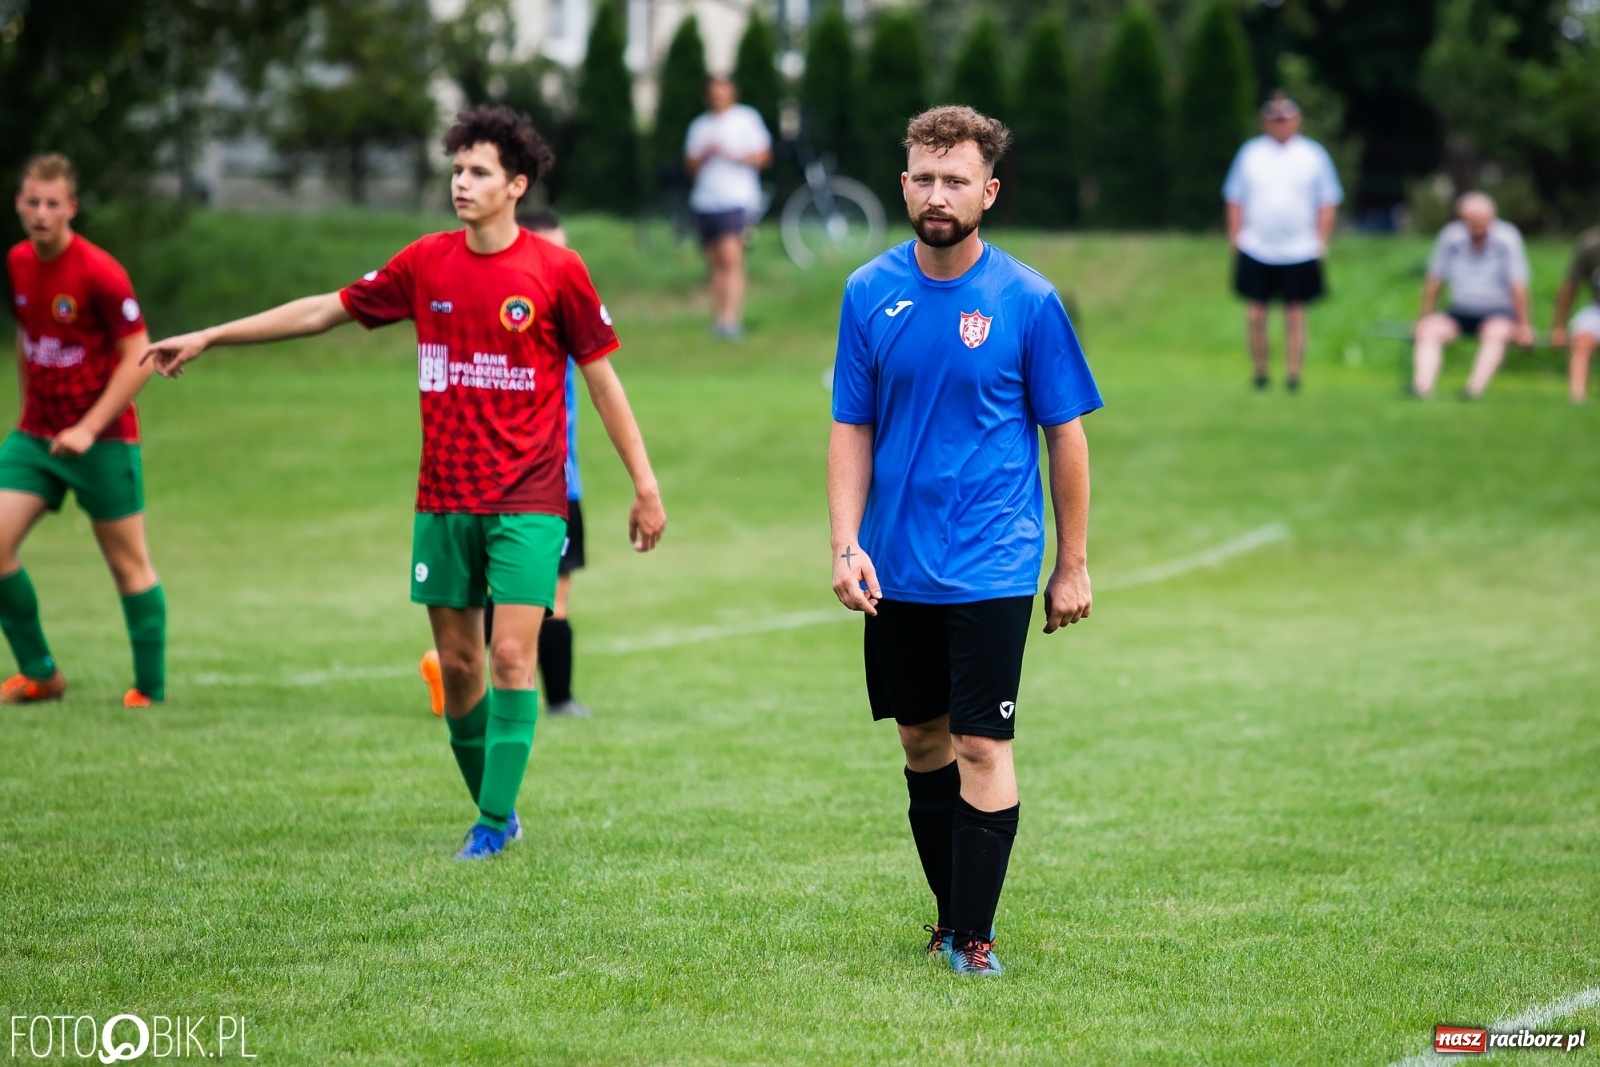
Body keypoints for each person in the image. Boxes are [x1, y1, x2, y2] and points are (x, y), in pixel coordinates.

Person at [144, 106, 667, 861]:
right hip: (444, 498)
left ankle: (491, 823)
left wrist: (644, 485)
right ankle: (499, 809)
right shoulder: (425, 263)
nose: (462, 181)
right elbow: (325, 309)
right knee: (459, 667)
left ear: (516, 185)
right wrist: (211, 334)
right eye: (456, 169)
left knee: (512, 658)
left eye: (479, 171)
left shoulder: (558, 272)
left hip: (529, 496)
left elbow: (605, 383)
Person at [828, 106, 1101, 978]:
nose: (937, 194)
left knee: (983, 743)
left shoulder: (1029, 300)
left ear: (988, 191)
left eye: (956, 180)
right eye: (923, 176)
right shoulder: (869, 292)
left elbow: (1067, 435)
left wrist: (1072, 563)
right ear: (903, 183)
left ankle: (973, 938)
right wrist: (845, 543)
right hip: (894, 563)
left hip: (992, 561)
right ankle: (949, 918)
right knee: (921, 741)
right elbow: (851, 427)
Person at [2, 152, 166, 708]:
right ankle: (40, 674)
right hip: (37, 436)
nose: (41, 213)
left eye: (53, 203)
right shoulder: (18, 262)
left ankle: (150, 690)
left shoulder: (99, 272)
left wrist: (88, 428)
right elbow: (29, 341)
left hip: (104, 437)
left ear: (71, 208)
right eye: (32, 202)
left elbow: (139, 356)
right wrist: (31, 413)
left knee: (127, 563)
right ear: (19, 204)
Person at [421, 209, 590, 719]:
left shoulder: (558, 306)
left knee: (526, 595)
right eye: (551, 251)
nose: (561, 263)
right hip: (536, 486)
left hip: (561, 479)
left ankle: (463, 671)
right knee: (548, 598)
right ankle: (556, 700)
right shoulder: (521, 321)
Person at [1222, 92, 1343, 392]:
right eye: (1274, 119)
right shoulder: (1251, 153)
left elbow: (1328, 200)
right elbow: (1234, 197)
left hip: (1300, 247)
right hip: (1257, 245)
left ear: (1296, 120)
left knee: (1295, 314)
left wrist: (1321, 240)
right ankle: (1261, 372)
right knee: (1256, 314)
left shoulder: (1312, 155)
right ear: (1266, 122)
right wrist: (1236, 237)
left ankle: (1293, 375)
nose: (1280, 124)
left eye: (1285, 118)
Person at [1410, 192, 1534, 400]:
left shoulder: (1507, 238)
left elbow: (1518, 285)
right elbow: (1434, 281)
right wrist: (1423, 318)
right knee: (1428, 331)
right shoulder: (1451, 237)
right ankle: (1422, 386)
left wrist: (1524, 325)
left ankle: (1473, 389)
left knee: (1495, 335)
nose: (1476, 227)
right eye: (1471, 222)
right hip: (1460, 309)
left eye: (1481, 222)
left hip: (1498, 311)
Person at [684, 75, 772, 340]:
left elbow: (763, 157)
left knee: (731, 257)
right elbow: (689, 167)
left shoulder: (746, 119)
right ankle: (719, 316)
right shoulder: (700, 126)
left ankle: (731, 318)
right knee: (714, 261)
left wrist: (733, 155)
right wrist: (705, 155)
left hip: (736, 199)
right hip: (706, 200)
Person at [1549, 222, 1600, 405]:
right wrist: (1559, 327)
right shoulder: (1591, 244)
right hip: (1597, 309)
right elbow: (1570, 287)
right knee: (1582, 338)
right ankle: (1577, 398)